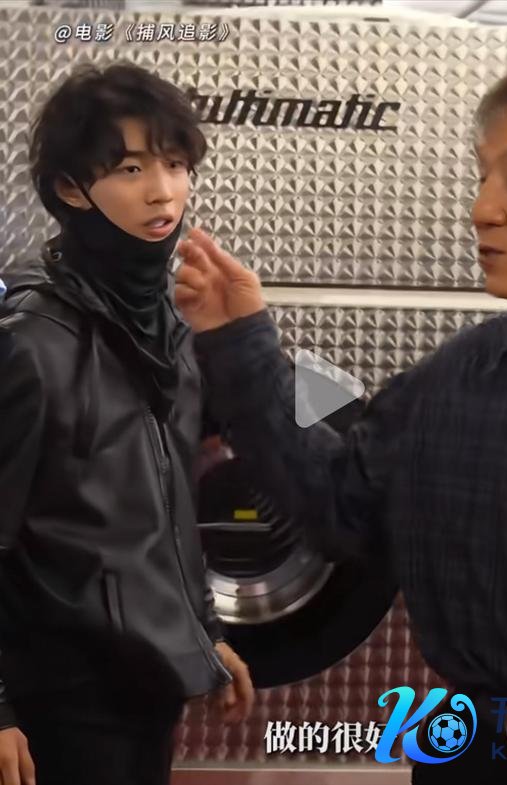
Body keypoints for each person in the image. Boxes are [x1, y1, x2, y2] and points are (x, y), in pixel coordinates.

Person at [174, 56, 507, 784]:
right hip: (475, 753)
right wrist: (239, 340)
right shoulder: (450, 381)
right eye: (483, 176)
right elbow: (337, 509)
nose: (483, 209)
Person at [0, 61, 254, 785]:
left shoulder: (171, 325)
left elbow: (165, 509)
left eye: (175, 164)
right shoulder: (28, 343)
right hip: (61, 697)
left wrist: (202, 632)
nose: (162, 190)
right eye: (131, 168)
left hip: (149, 682)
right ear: (70, 188)